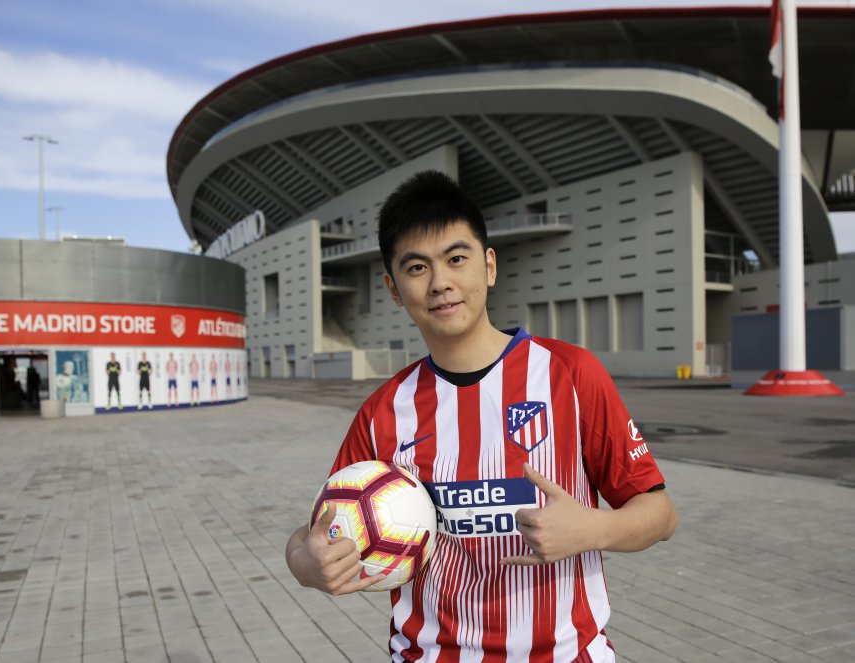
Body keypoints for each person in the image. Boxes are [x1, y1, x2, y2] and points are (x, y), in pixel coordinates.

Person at [284, 171, 678, 662]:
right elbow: (312, 533)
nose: (441, 283)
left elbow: (660, 514)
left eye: (456, 258)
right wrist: (308, 564)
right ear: (392, 287)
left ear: (489, 266)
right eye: (417, 267)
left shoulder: (570, 374)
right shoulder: (383, 412)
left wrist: (593, 529)